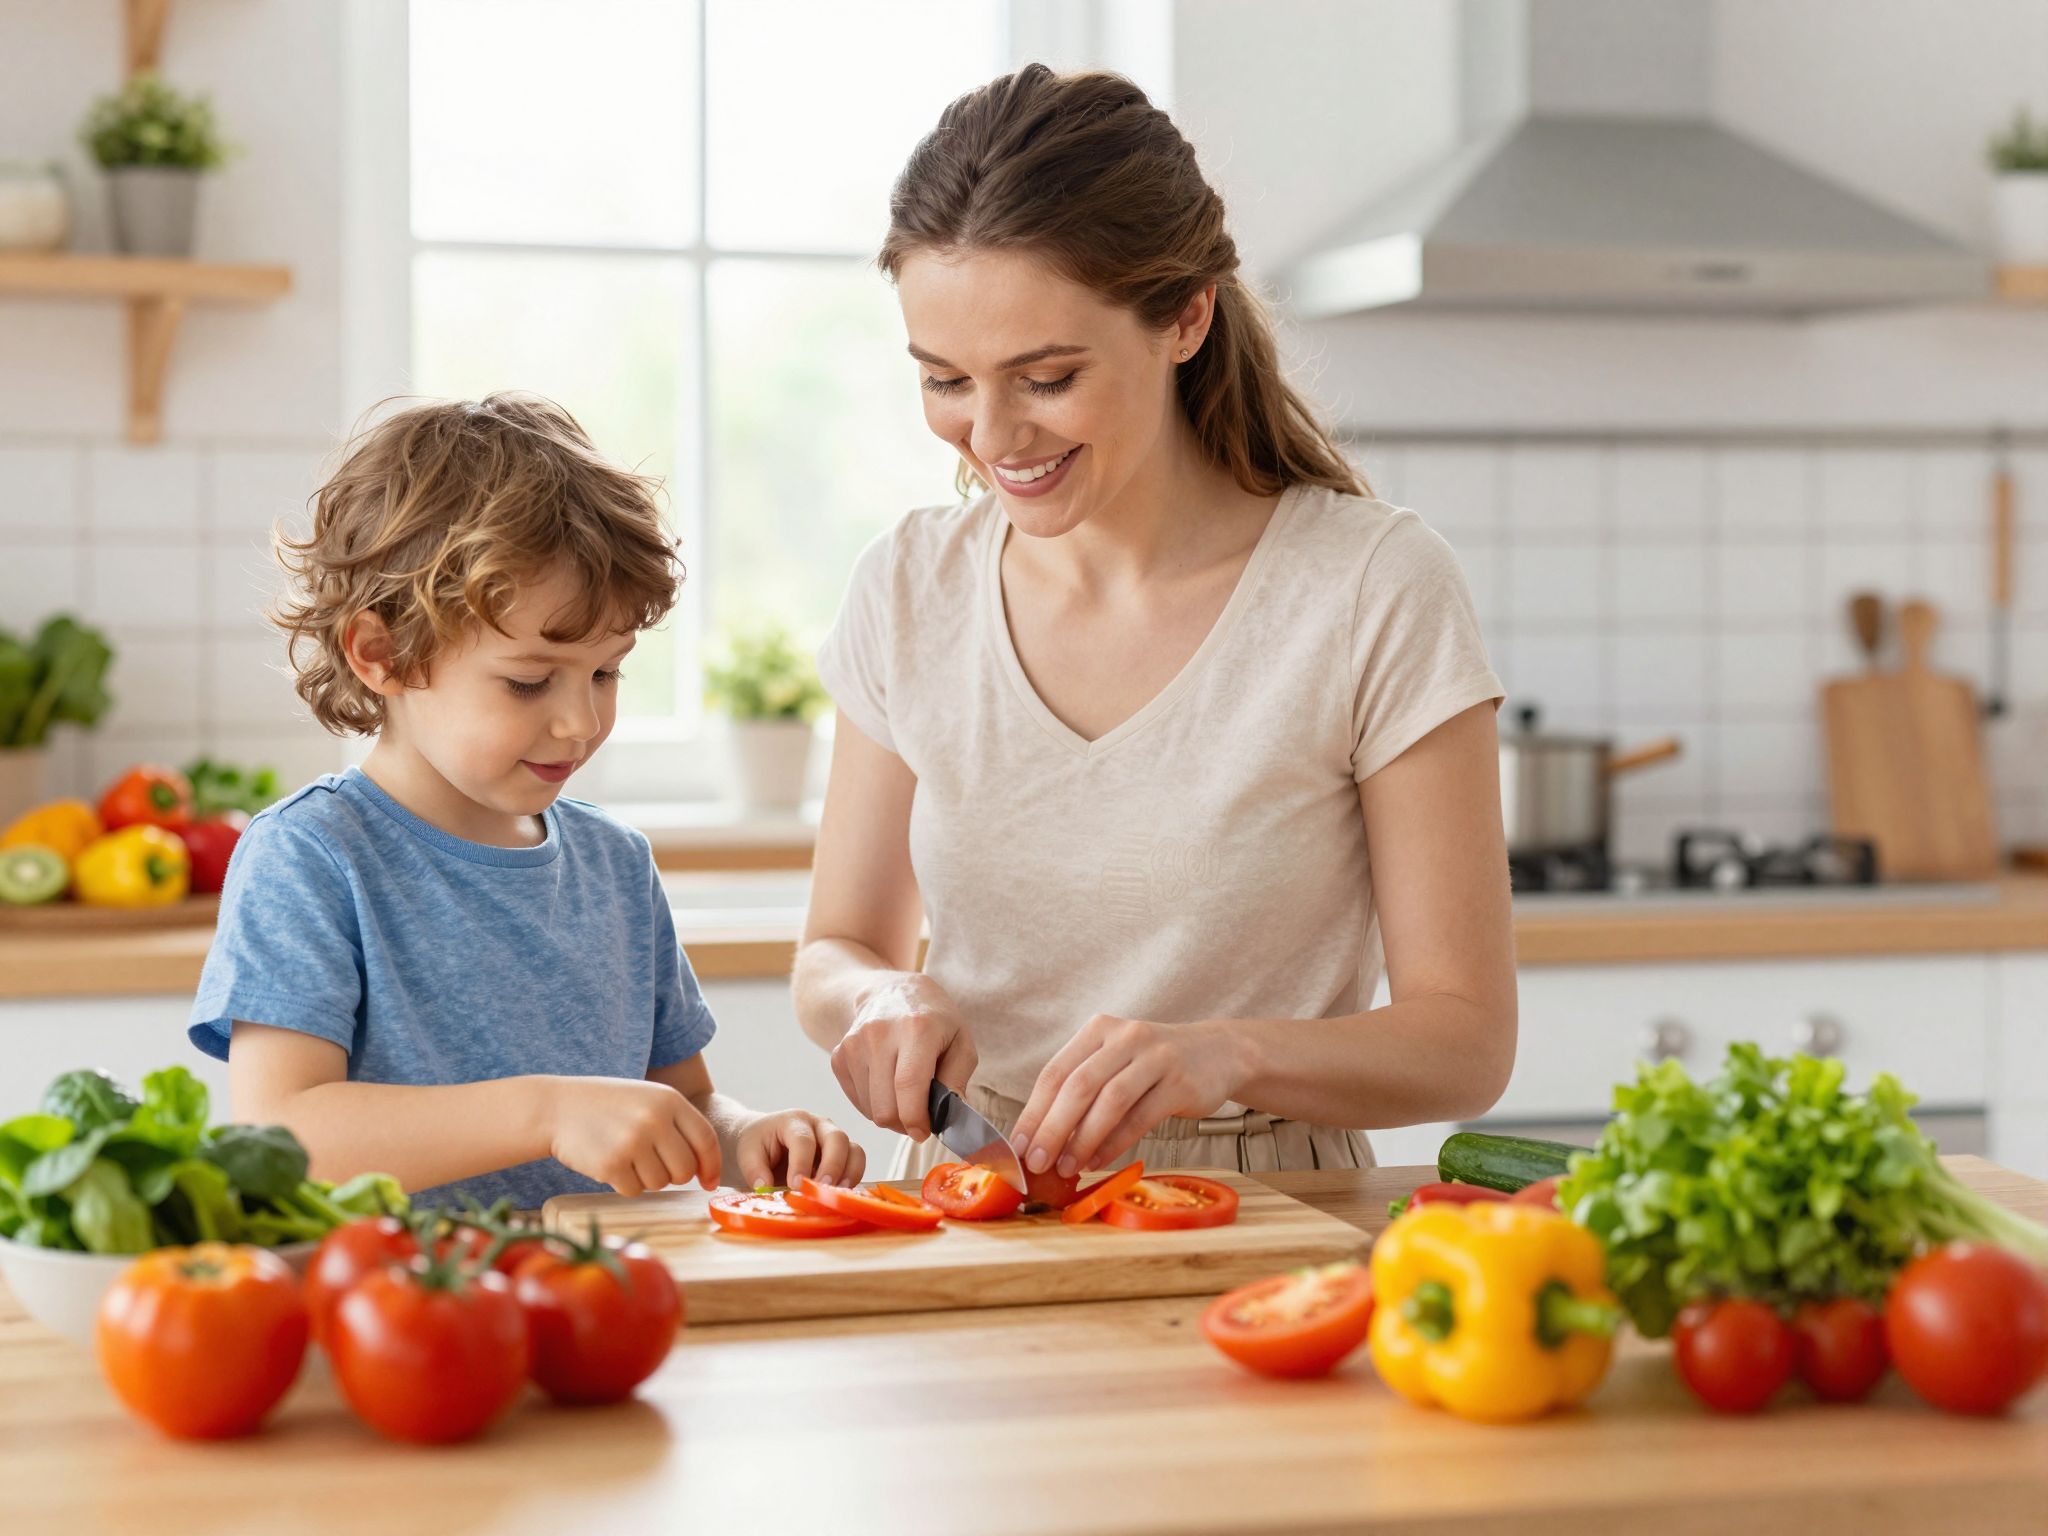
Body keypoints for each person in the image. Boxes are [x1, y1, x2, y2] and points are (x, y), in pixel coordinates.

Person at [795, 66, 1515, 1185]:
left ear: (1185, 318)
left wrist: (1225, 1054)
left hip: (1264, 1213)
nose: (989, 436)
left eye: (1044, 377)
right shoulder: (907, 589)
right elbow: (834, 948)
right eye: (943, 379)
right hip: (973, 1190)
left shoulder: (1370, 588)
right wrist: (876, 996)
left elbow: (1464, 1042)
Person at [190, 393, 864, 1208]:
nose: (581, 721)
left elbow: (678, 1104)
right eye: (529, 681)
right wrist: (545, 1111)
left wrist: (746, 1134)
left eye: (606, 672)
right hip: (400, 1313)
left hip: (599, 1301)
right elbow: (287, 1140)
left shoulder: (616, 865)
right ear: (381, 654)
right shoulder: (312, 856)